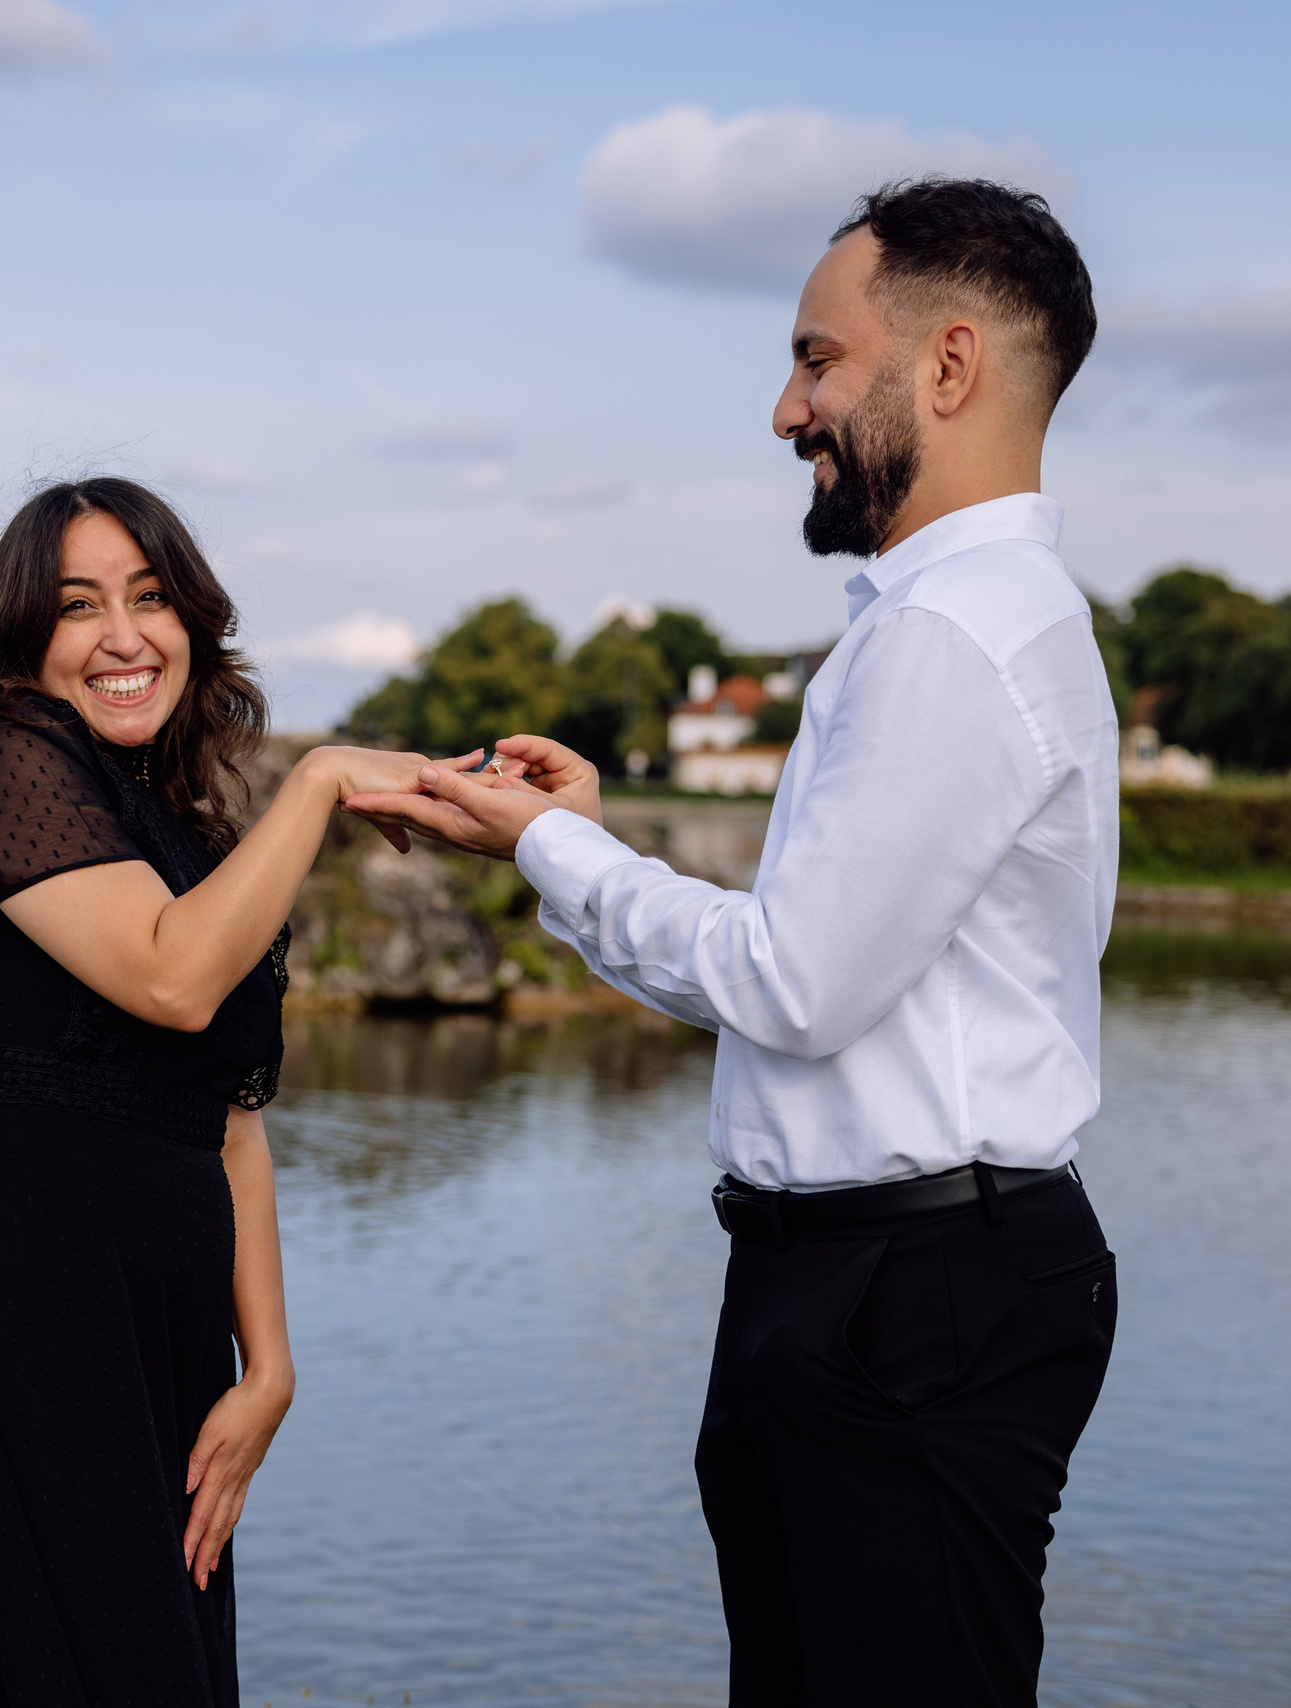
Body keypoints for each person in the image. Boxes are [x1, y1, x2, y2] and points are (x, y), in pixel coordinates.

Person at [344, 178, 1121, 1706]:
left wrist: (550, 849)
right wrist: (583, 845)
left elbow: (793, 983)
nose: (785, 408)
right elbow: (800, 962)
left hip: (911, 1299)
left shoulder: (954, 636)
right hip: (859, 1282)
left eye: (818, 359)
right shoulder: (945, 622)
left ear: (947, 367)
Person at [0, 477, 442, 1707]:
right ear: (26, 639)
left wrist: (268, 1367)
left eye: (151, 596)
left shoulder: (176, 828)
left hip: (155, 1344)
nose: (123, 635)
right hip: (24, 1313)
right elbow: (173, 981)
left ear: (194, 622)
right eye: (79, 606)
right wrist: (322, 780)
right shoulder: (5, 764)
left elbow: (228, 1114)